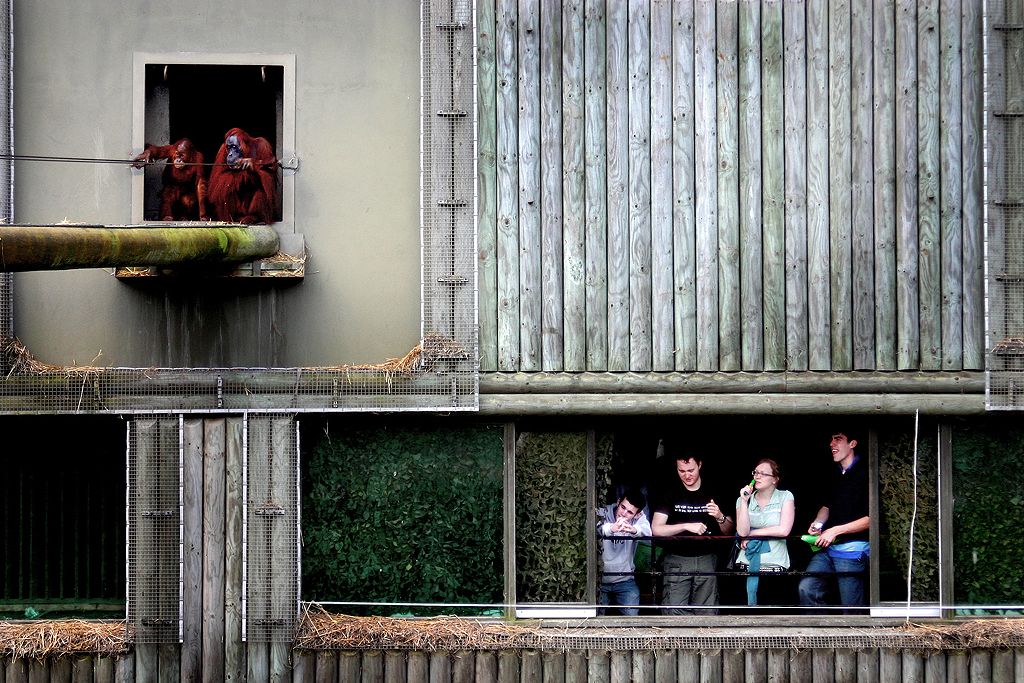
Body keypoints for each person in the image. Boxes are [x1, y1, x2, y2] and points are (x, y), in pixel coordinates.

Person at [652, 453, 734, 615]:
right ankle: (682, 640)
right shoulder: (669, 492)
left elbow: (730, 531)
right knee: (673, 610)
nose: (687, 475)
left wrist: (720, 517)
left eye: (691, 470)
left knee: (708, 612)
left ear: (700, 465)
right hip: (677, 559)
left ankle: (702, 640)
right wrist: (686, 526)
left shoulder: (715, 490)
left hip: (707, 559)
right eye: (681, 471)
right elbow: (656, 529)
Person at [798, 431, 870, 610]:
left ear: (852, 443)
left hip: (854, 551)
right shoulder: (835, 473)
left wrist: (835, 530)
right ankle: (817, 637)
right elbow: (827, 506)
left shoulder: (866, 472)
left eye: (838, 439)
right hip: (828, 547)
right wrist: (818, 524)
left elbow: (872, 519)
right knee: (806, 588)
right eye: (830, 439)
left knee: (850, 607)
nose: (831, 444)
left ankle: (854, 638)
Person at [735, 458, 795, 606]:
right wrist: (743, 501)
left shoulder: (785, 496)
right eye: (755, 472)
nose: (757, 476)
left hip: (775, 563)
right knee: (746, 615)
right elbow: (742, 532)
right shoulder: (743, 500)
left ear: (775, 479)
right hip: (747, 562)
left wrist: (753, 533)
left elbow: (784, 530)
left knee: (773, 612)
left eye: (763, 473)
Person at [597, 488, 652, 615]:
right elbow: (594, 528)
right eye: (622, 507)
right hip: (600, 580)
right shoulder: (603, 512)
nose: (623, 514)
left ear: (637, 515)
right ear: (618, 502)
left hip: (625, 580)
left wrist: (633, 530)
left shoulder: (639, 518)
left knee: (631, 618)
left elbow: (648, 532)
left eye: (629, 512)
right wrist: (611, 528)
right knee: (596, 619)